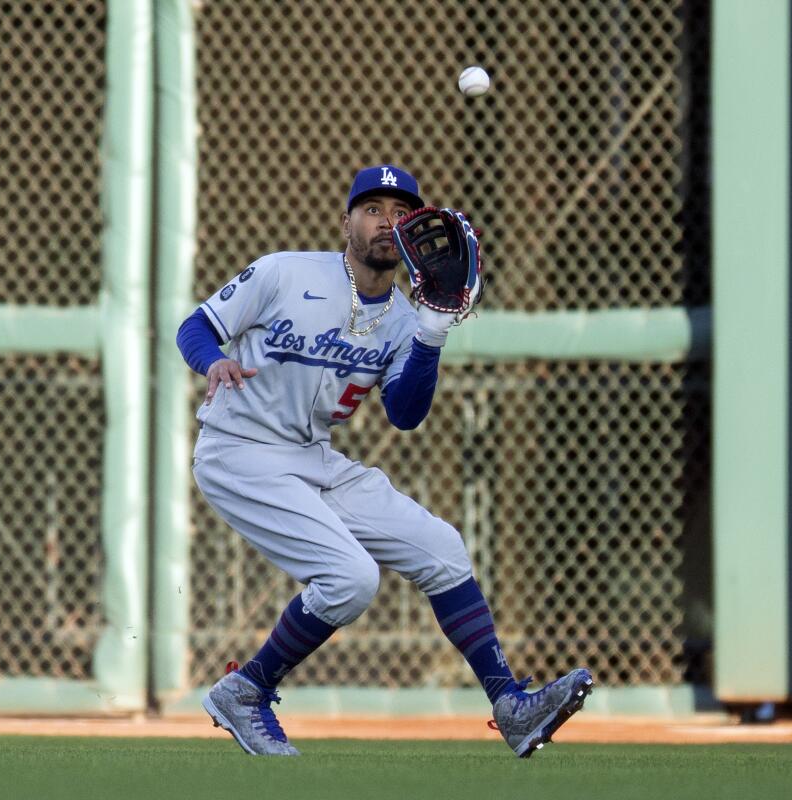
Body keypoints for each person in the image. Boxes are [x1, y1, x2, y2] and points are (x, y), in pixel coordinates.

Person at [175, 164, 593, 758]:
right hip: (238, 450)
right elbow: (196, 326)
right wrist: (211, 361)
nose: (386, 223)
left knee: (443, 549)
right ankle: (248, 689)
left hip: (309, 455)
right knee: (350, 578)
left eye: (401, 214)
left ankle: (511, 708)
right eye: (372, 209)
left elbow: (404, 413)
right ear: (344, 221)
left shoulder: (404, 317)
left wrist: (430, 333)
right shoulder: (285, 272)